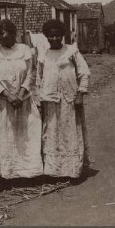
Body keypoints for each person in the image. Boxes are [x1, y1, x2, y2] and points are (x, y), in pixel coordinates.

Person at [0, 19, 43, 179]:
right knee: (4, 137)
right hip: (2, 103)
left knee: (26, 135)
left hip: (23, 101)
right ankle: (5, 174)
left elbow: (30, 73)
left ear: (12, 33)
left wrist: (21, 95)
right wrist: (9, 96)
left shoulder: (25, 50)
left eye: (2, 33)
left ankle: (27, 172)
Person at [38, 19, 91, 178]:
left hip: (69, 99)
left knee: (70, 132)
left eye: (57, 36)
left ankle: (72, 170)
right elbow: (38, 78)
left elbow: (84, 73)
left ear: (62, 35)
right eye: (50, 36)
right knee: (52, 132)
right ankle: (54, 171)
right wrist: (39, 100)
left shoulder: (71, 51)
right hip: (50, 100)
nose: (54, 39)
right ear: (46, 36)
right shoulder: (43, 55)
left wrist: (80, 94)